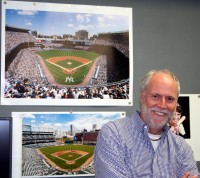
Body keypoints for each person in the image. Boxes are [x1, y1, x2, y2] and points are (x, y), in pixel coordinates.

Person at [94, 69, 199, 178]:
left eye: (170, 99)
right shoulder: (113, 134)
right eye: (155, 96)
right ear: (142, 97)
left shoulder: (182, 148)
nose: (162, 105)